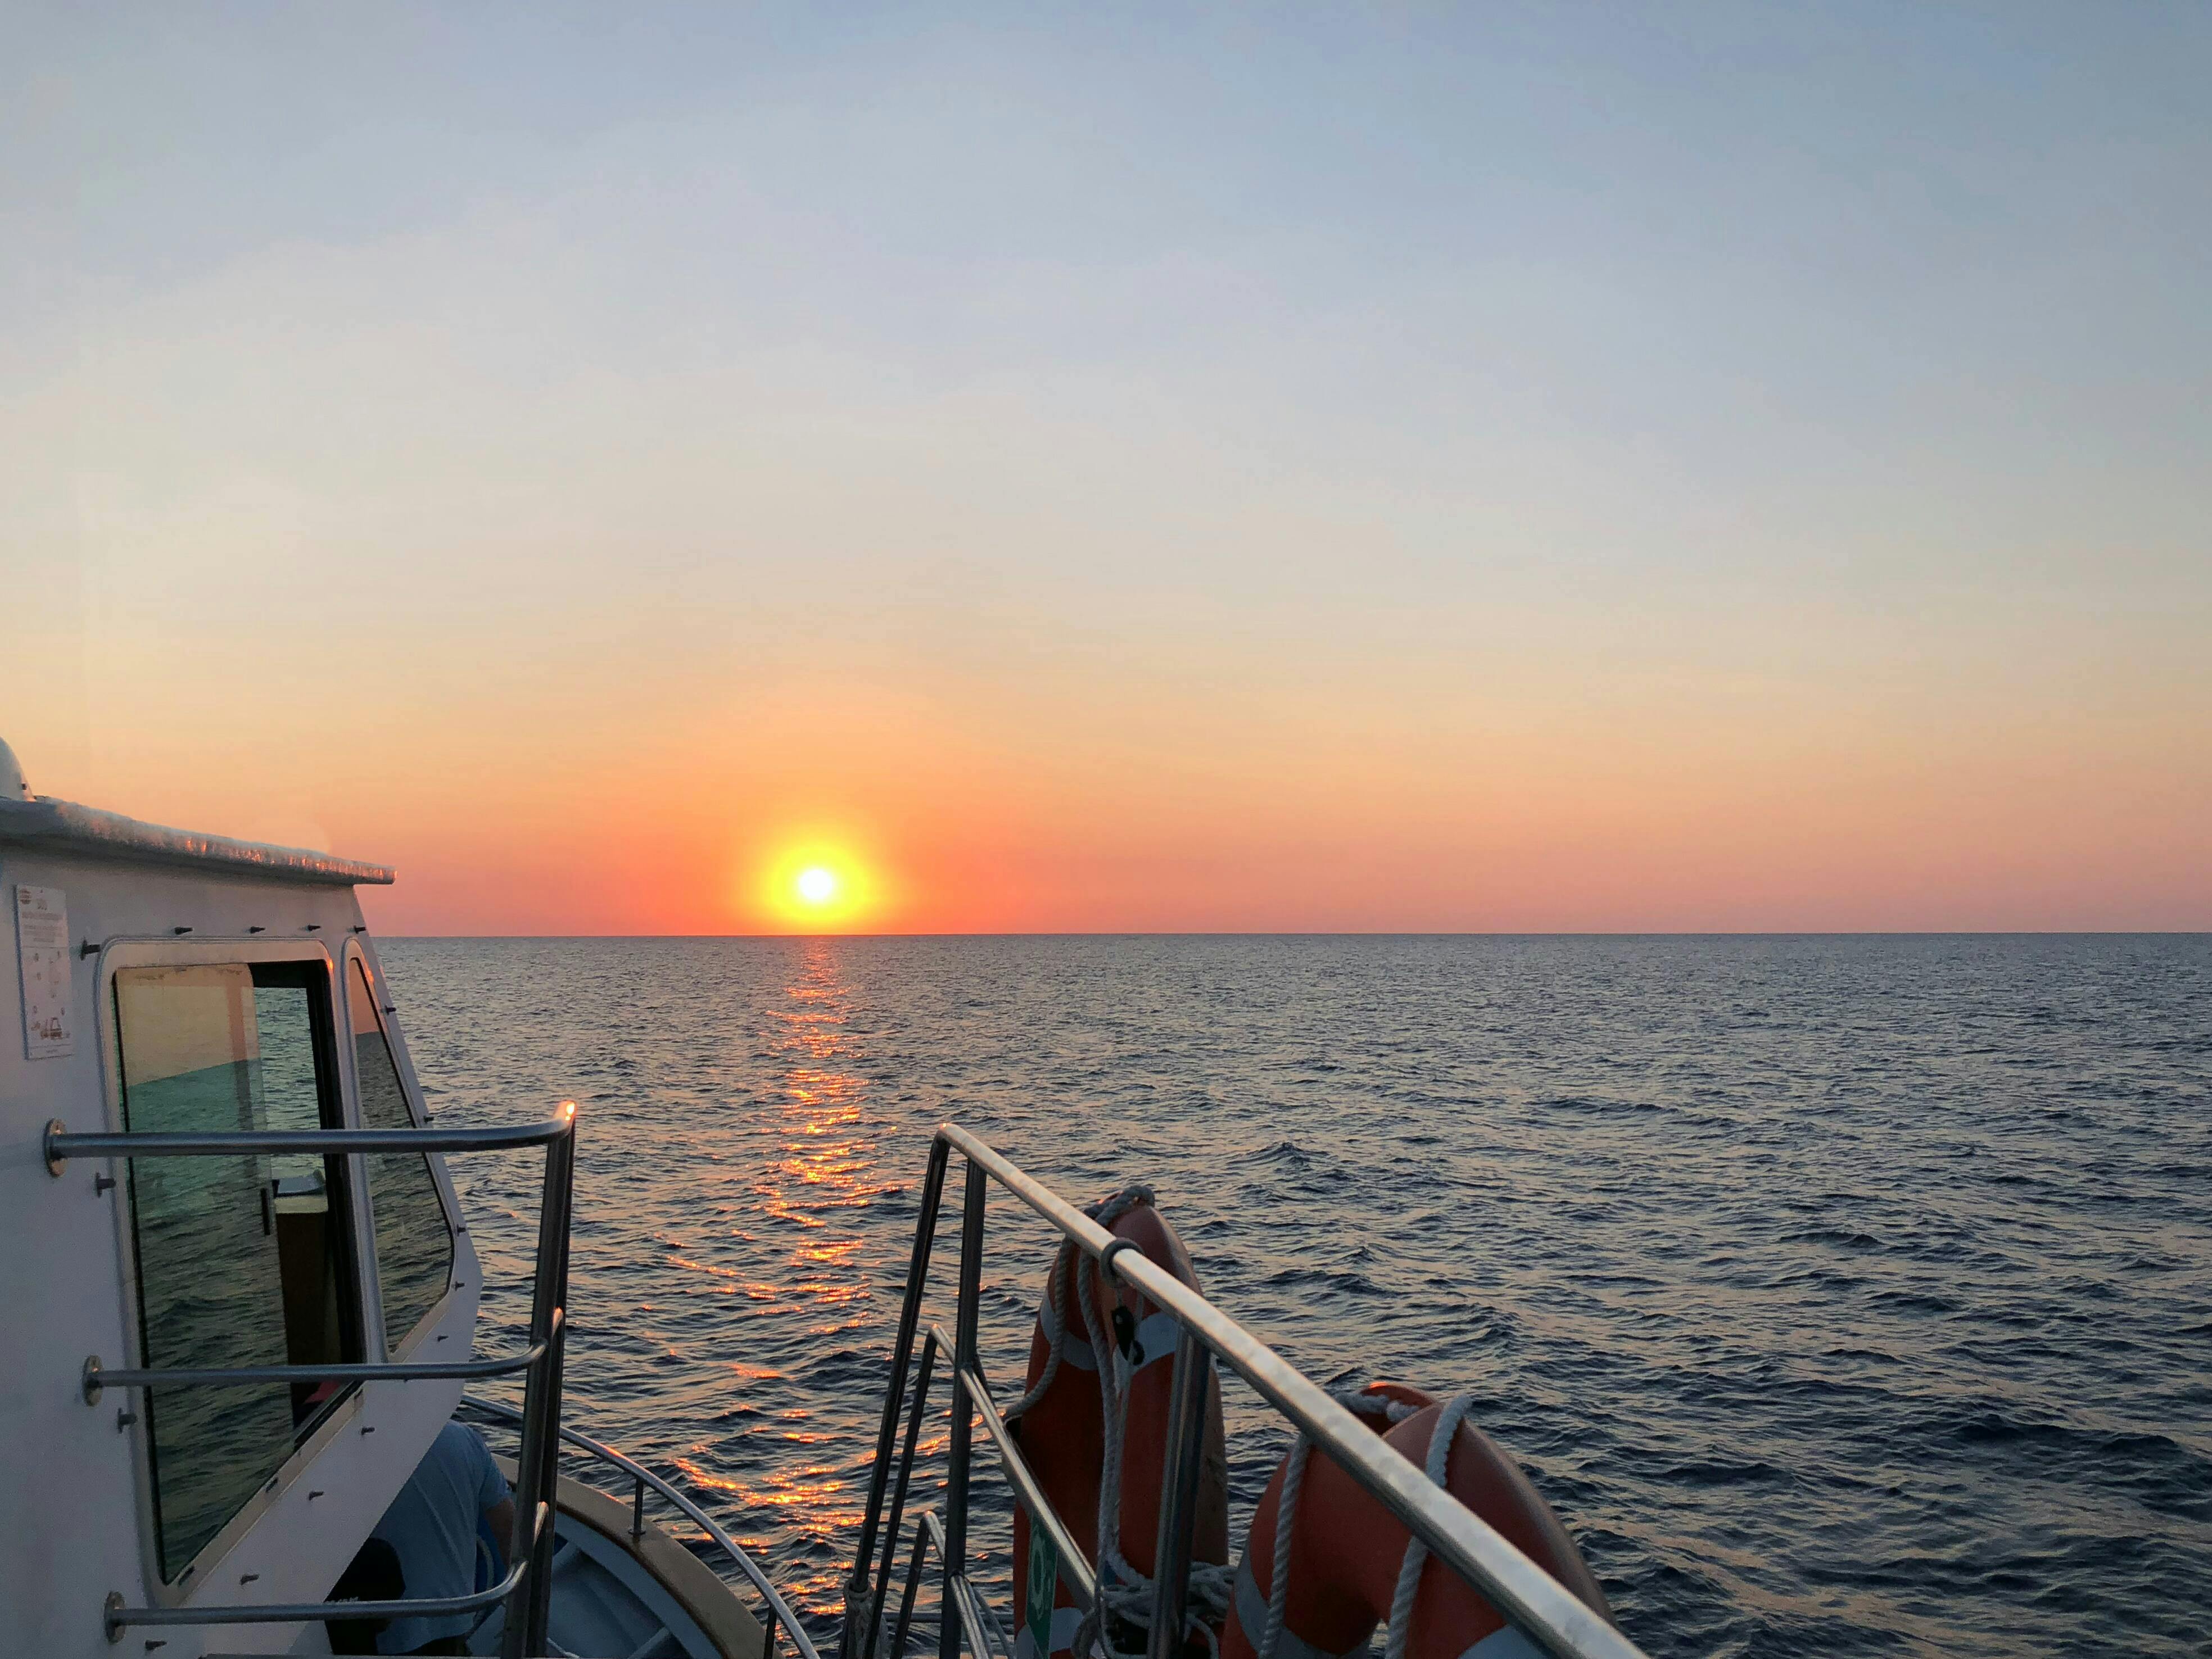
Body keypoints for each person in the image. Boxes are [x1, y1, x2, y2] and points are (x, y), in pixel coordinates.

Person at [362, 1418, 517, 1656]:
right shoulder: (465, 1440)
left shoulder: (346, 1450)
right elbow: (509, 1528)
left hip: (373, 1630)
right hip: (453, 1619)